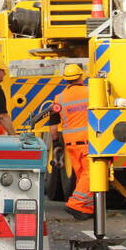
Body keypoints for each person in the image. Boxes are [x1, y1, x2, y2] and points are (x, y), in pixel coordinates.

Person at [49, 63, 92, 220]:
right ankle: (75, 204)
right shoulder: (91, 92)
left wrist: (56, 145)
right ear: (81, 76)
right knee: (92, 175)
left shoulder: (59, 98)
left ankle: (86, 208)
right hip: (88, 142)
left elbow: (53, 128)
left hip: (70, 144)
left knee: (82, 176)